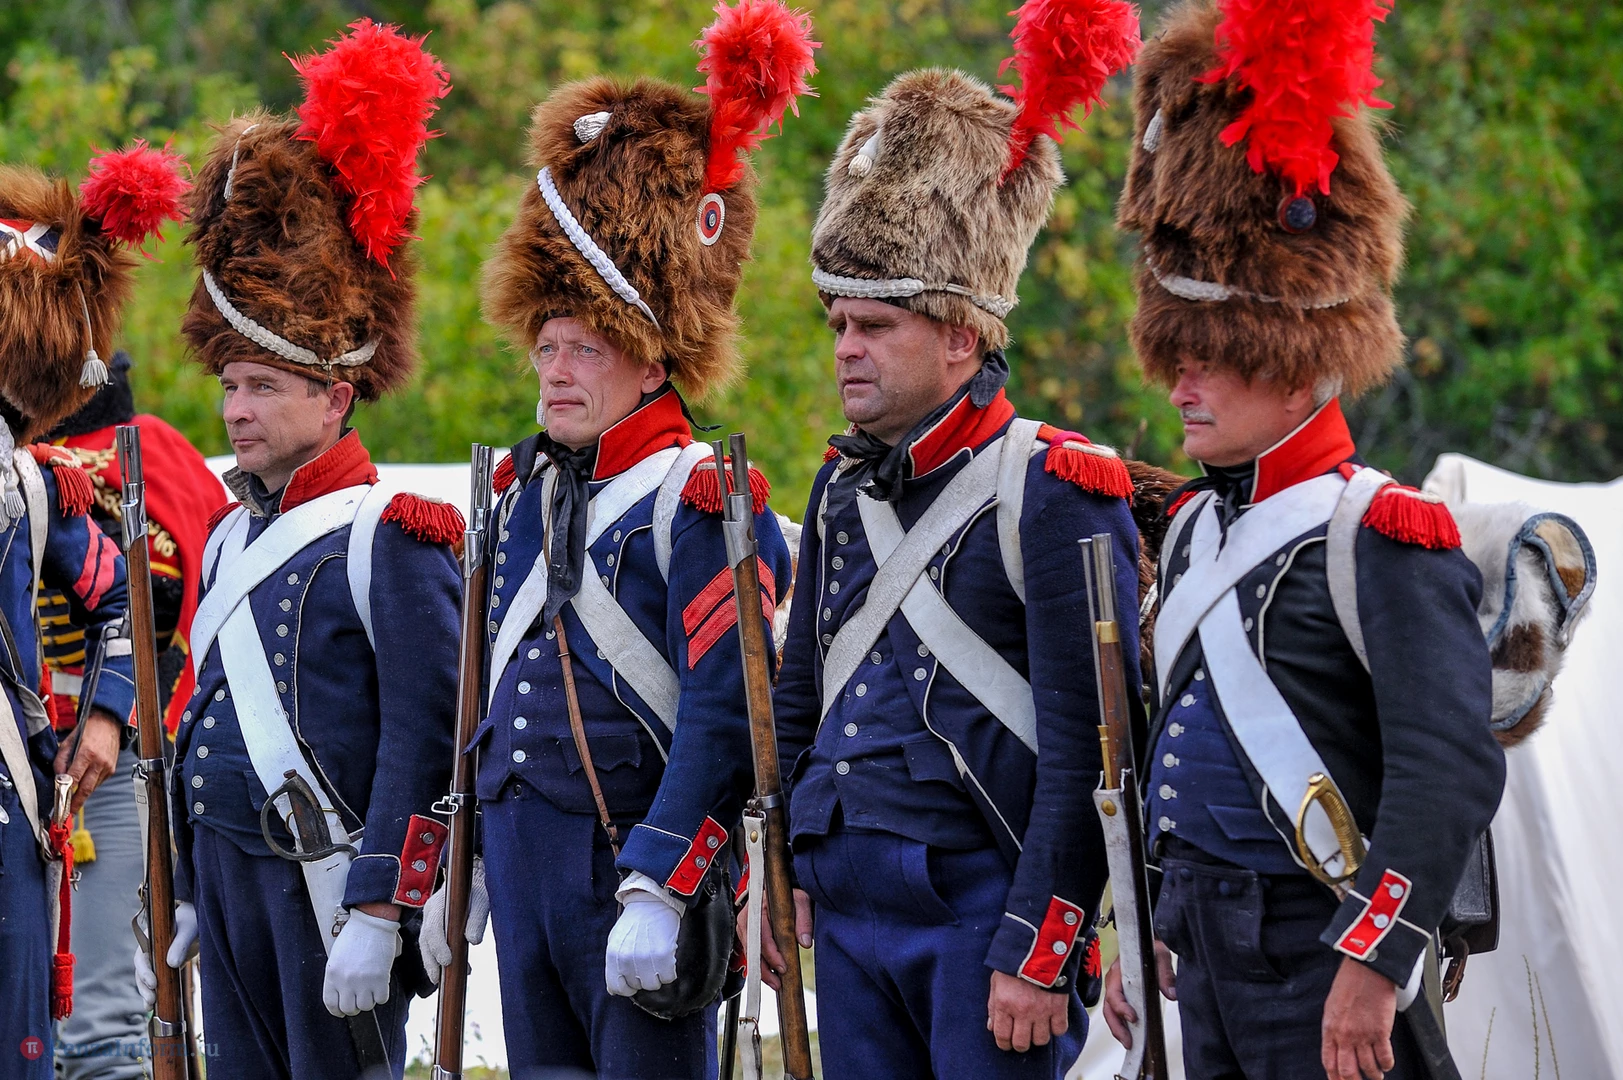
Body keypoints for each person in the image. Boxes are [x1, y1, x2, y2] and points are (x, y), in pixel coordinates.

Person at [1102, 3, 1506, 1079]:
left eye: (1211, 357)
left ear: (1294, 363)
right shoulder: (1194, 529)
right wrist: (1148, 920)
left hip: (1324, 947)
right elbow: (1171, 744)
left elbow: (1448, 768)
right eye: (1176, 354)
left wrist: (1374, 960)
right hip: (1202, 950)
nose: (1179, 384)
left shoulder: (1380, 533)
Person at [413, 5, 813, 1077]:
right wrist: (465, 859)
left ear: (650, 359)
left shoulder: (699, 497)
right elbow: (487, 695)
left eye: (586, 349)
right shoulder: (517, 495)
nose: (554, 372)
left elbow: (727, 710)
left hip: (629, 865)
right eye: (546, 347)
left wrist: (664, 880)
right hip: (523, 864)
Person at [762, 4, 1144, 1075]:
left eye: (875, 326)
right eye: (839, 325)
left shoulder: (1055, 486)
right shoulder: (841, 488)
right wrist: (780, 867)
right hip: (846, 909)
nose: (846, 348)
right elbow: (798, 697)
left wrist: (1039, 947)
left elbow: (1094, 746)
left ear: (962, 335)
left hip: (985, 918)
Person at [130, 22, 462, 1080]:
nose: (235, 409)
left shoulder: (389, 534)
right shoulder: (231, 532)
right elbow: (203, 712)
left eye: (264, 386)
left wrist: (383, 903)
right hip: (228, 882)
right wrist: (189, 886)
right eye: (230, 385)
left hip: (328, 889)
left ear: (335, 396)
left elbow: (426, 735)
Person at [0, 142, 180, 1078]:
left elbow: (138, 602)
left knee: (78, 1037)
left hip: (39, 781)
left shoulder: (43, 484)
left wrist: (109, 719)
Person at [43, 350, 225, 1080]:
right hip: (26, 758)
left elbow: (179, 608)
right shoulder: (23, 465)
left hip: (108, 764)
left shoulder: (147, 457)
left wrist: (114, 717)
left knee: (102, 1027)